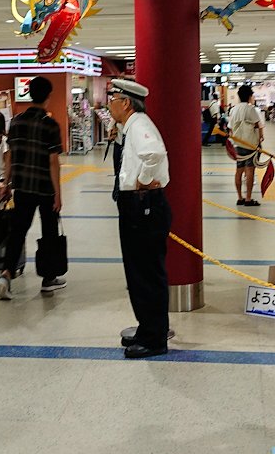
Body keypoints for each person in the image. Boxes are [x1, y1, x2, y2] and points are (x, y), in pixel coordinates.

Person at [107, 79, 172, 359]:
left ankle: (155, 338)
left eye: (113, 98)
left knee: (146, 272)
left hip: (143, 205)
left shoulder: (140, 124)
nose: (109, 103)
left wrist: (144, 181)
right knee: (138, 271)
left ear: (126, 103)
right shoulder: (131, 126)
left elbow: (154, 154)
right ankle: (148, 328)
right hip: (137, 204)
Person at [1, 76, 66, 299]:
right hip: (45, 188)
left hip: (21, 187)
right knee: (49, 231)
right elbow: (52, 161)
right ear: (48, 96)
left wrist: (6, 183)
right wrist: (58, 193)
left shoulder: (16, 121)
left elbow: (9, 156)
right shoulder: (50, 125)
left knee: (17, 231)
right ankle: (48, 279)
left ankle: (6, 273)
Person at [227, 85, 265, 207]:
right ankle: (248, 198)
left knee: (238, 171)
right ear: (249, 96)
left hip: (238, 144)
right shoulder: (250, 109)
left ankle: (240, 197)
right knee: (250, 171)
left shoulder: (233, 109)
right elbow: (258, 125)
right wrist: (260, 139)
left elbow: (230, 128)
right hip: (250, 144)